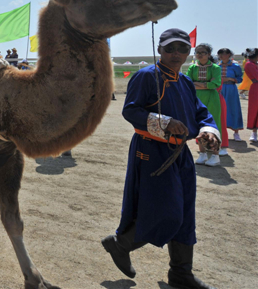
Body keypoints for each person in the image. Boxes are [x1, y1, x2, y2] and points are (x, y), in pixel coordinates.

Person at [101, 28, 219, 289]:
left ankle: (180, 273)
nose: (176, 54)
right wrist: (164, 122)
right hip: (152, 151)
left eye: (182, 49)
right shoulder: (146, 77)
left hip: (182, 154)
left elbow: (201, 112)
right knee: (167, 212)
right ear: (160, 50)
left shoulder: (185, 81)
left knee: (185, 212)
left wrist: (207, 130)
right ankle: (121, 244)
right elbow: (130, 111)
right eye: (170, 49)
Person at [186, 43, 223, 166]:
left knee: (214, 124)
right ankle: (202, 153)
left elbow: (216, 83)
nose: (200, 55)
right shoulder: (192, 68)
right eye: (198, 52)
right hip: (196, 98)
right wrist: (206, 83)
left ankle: (215, 155)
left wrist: (198, 84)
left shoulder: (216, 68)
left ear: (208, 54)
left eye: (203, 52)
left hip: (212, 98)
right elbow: (188, 83)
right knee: (198, 124)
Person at [217, 48, 243, 141]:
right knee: (219, 109)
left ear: (229, 55)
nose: (221, 56)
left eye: (223, 54)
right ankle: (219, 132)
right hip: (219, 89)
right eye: (219, 54)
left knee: (233, 109)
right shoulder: (216, 66)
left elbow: (240, 78)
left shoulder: (235, 66)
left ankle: (236, 133)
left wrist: (232, 79)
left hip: (231, 89)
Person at [243, 48, 258, 142]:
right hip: (256, 87)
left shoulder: (255, 64)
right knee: (255, 110)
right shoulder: (249, 64)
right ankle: (254, 132)